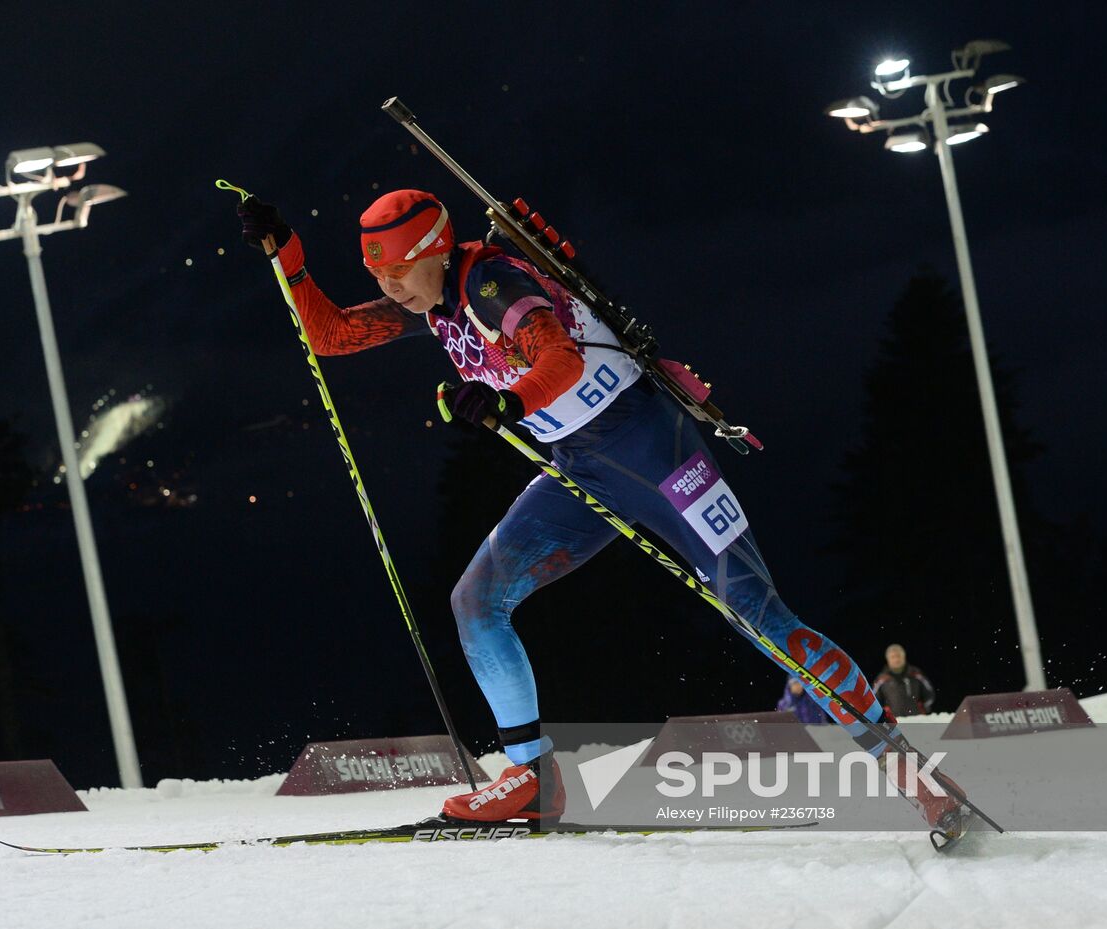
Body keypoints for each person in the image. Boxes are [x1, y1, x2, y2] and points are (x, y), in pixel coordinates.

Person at [236, 190, 961, 834]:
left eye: (396, 271)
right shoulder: (435, 301)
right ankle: (532, 779)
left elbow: (560, 360)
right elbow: (330, 336)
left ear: (434, 251)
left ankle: (905, 766)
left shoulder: (491, 283)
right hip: (582, 469)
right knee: (476, 601)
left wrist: (507, 402)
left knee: (756, 611)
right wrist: (288, 252)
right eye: (377, 275)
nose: (388, 288)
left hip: (655, 452)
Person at [873, 644, 936, 716]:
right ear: (888, 659)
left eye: (898, 656)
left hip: (917, 720)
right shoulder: (882, 679)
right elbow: (873, 701)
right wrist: (884, 714)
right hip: (893, 722)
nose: (896, 659)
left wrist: (923, 708)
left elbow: (930, 694)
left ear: (904, 656)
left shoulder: (915, 674)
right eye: (893, 657)